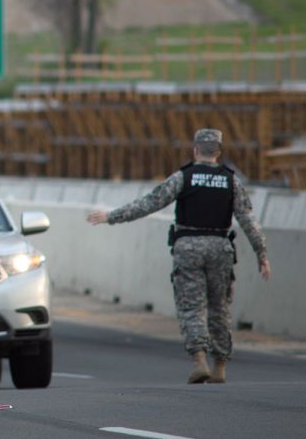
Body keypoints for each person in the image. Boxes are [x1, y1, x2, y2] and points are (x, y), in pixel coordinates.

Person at [86, 129, 272, 384]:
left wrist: (111, 216)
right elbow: (248, 221)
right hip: (220, 248)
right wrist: (262, 254)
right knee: (220, 308)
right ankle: (220, 366)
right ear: (218, 151)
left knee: (191, 307)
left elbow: (150, 203)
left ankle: (199, 360)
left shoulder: (183, 177)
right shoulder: (231, 181)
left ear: (195, 150)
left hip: (188, 248)